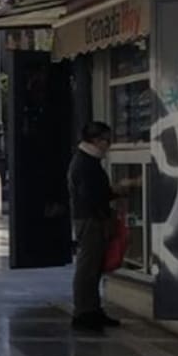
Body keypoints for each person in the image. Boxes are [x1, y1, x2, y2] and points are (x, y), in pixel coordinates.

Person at [68, 121, 126, 332]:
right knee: (88, 267)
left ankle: (92, 309)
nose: (108, 144)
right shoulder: (85, 163)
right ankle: (84, 312)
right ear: (94, 140)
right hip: (90, 220)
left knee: (93, 267)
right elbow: (91, 195)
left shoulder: (88, 161)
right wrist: (113, 196)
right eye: (105, 140)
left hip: (92, 218)